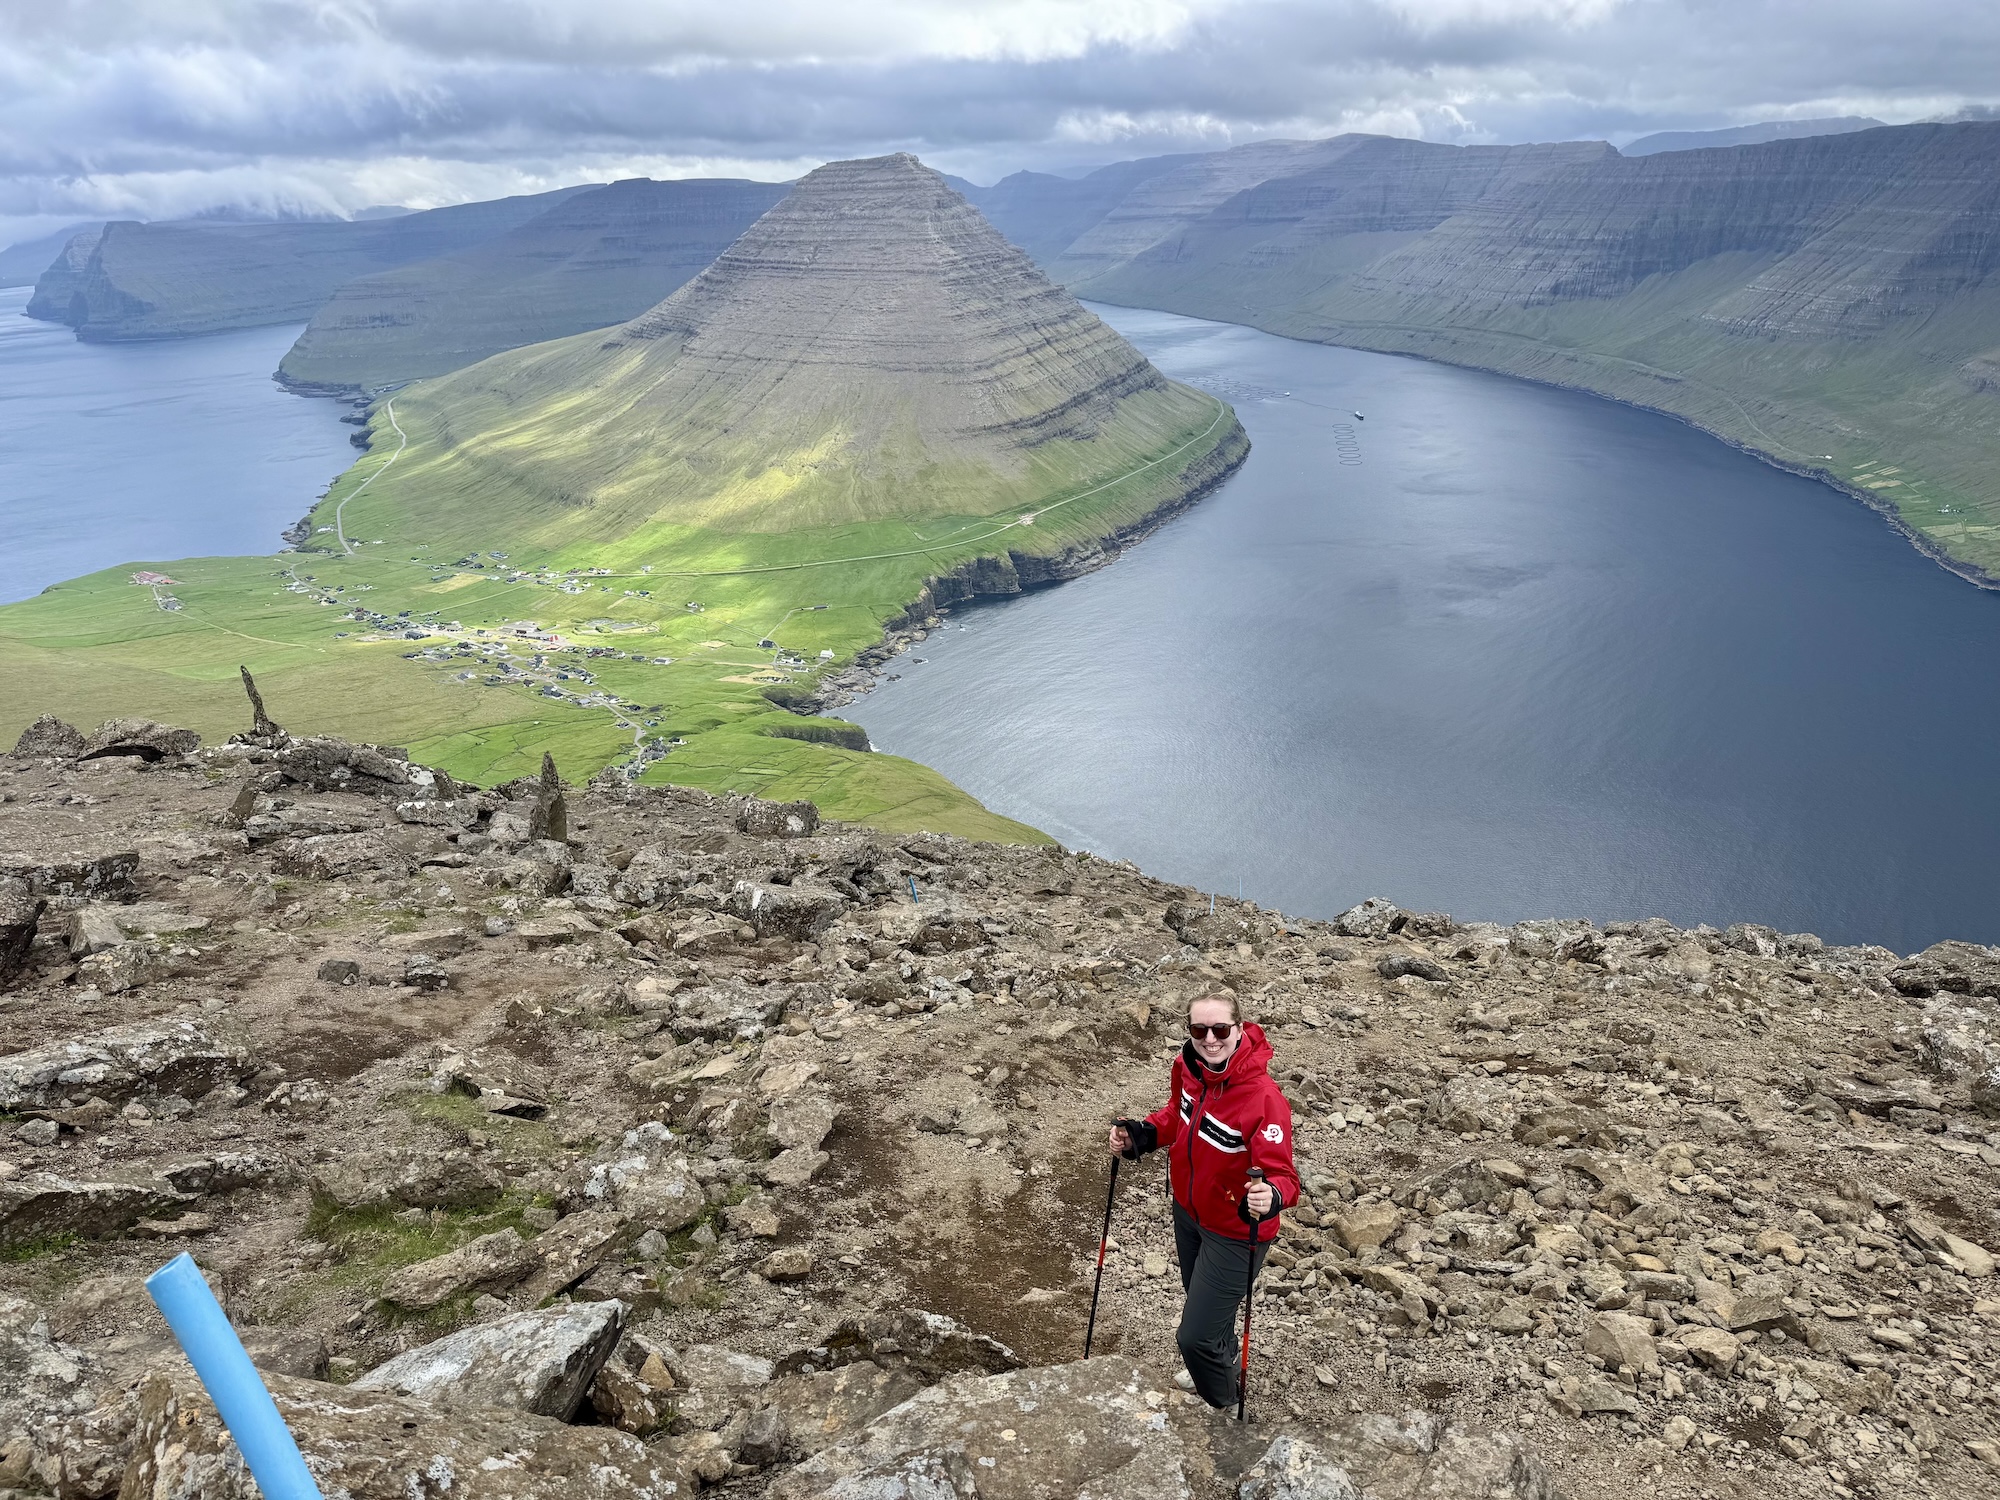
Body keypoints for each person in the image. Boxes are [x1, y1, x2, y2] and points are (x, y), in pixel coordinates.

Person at [1108, 992, 1300, 1409]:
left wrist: (1271, 1194)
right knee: (1208, 1309)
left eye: (1220, 1029)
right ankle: (1222, 1358)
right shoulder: (1188, 1067)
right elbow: (1178, 1117)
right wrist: (1141, 1134)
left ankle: (1222, 1402)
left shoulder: (1264, 1098)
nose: (1210, 1039)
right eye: (1199, 1029)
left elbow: (1285, 1177)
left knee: (1193, 1337)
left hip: (1236, 1231)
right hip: (1189, 1214)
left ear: (1239, 1029)